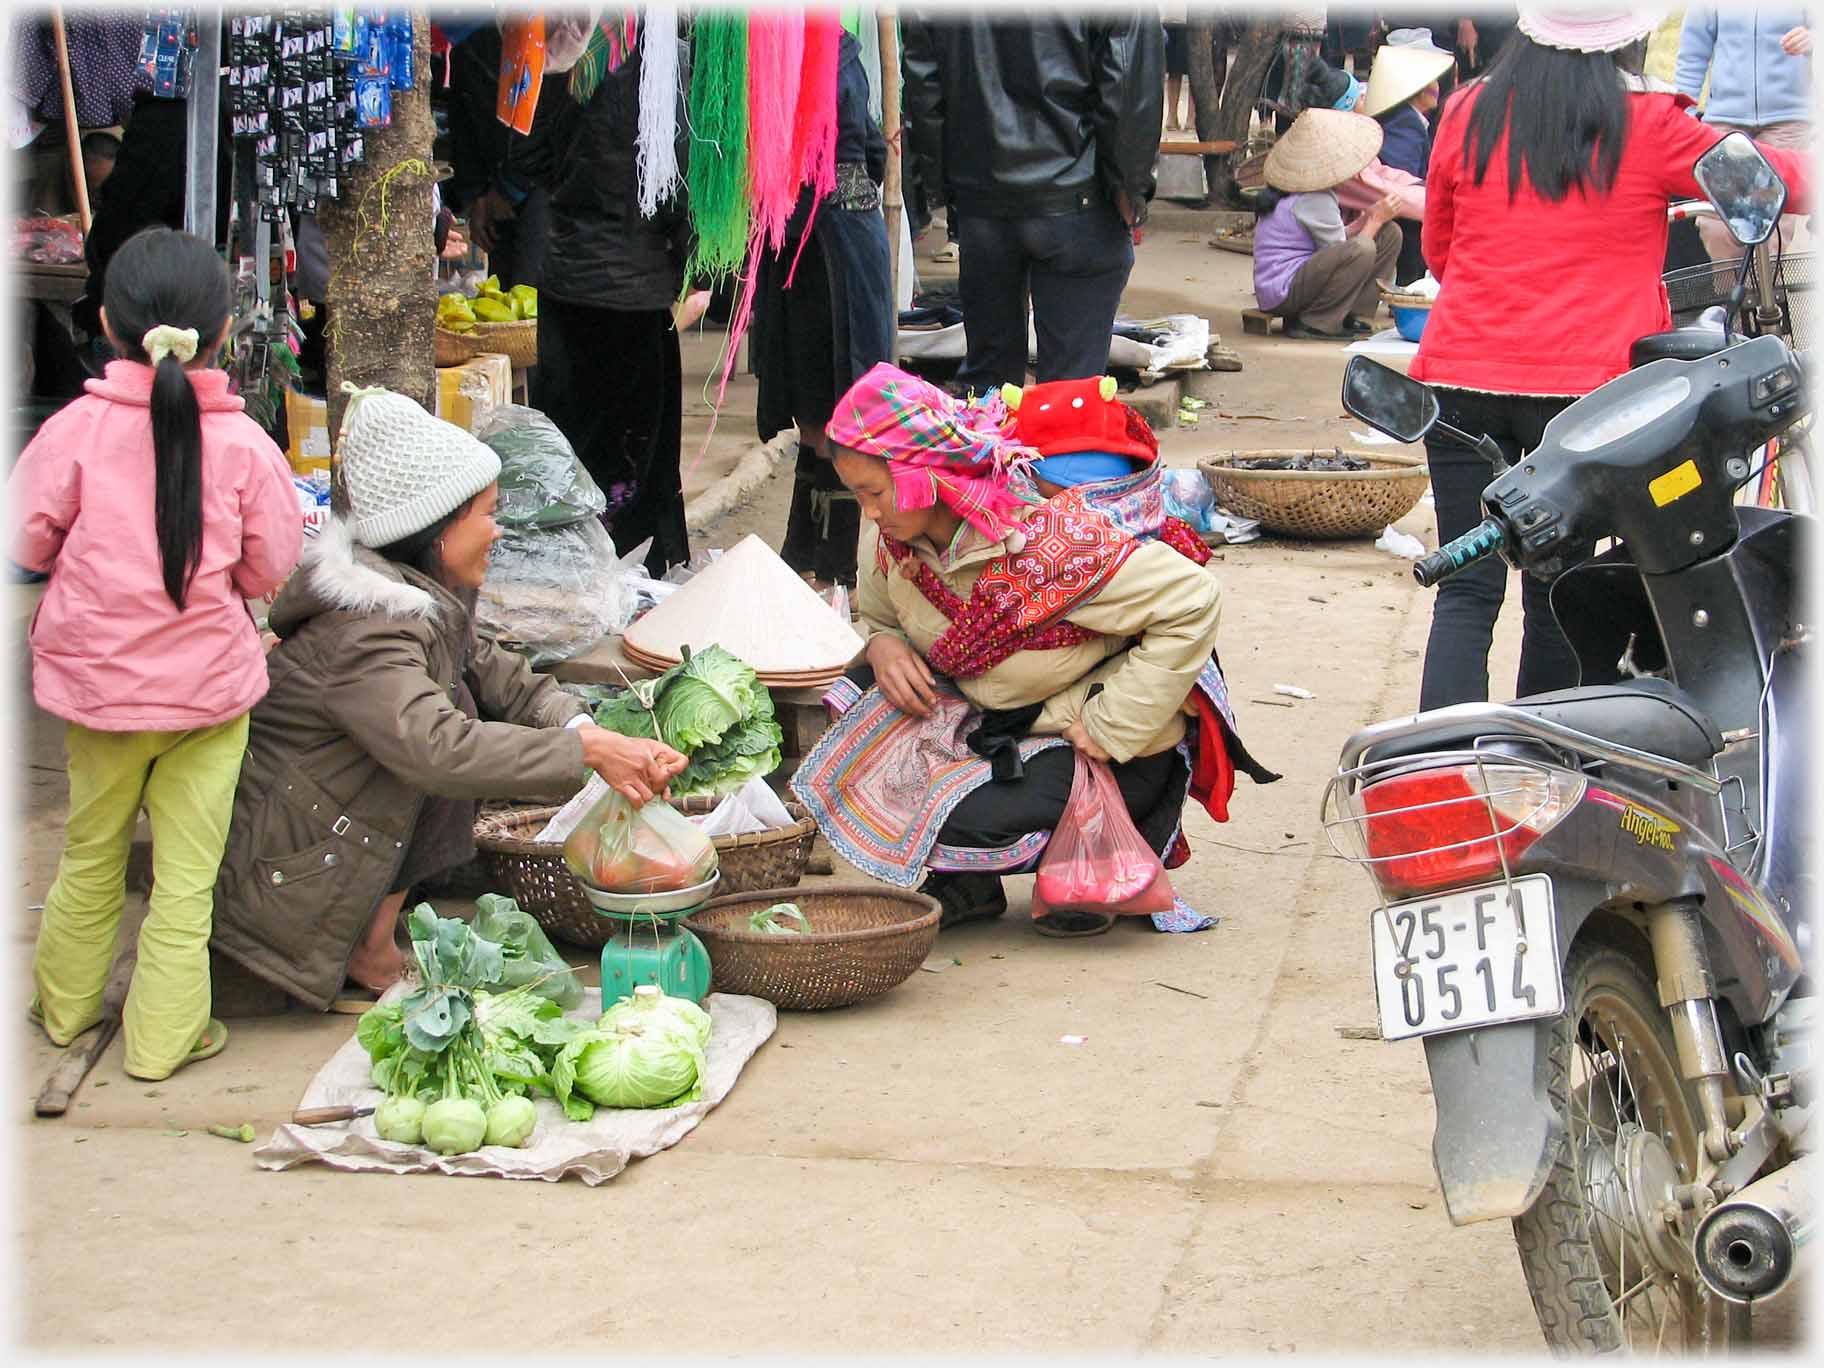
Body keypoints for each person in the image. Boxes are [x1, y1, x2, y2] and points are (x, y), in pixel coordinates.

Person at [209, 388, 688, 1012]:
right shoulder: (367, 626)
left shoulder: (423, 591)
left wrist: (586, 731)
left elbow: (492, 669)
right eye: (486, 514)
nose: (499, 529)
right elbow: (438, 749)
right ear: (436, 530)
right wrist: (586, 754)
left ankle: (371, 935)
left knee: (460, 693)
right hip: (289, 868)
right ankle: (364, 949)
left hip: (325, 827)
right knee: (447, 732)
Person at [1409, 4, 1813, 710]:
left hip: (1459, 377)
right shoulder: (1652, 123)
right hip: (1581, 402)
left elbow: (1439, 250)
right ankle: (1543, 771)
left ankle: (1438, 777)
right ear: (1632, 37)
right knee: (1555, 590)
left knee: (1466, 589)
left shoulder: (1468, 106)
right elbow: (1775, 184)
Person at [791, 363, 1275, 938]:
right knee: (856, 696)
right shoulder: (893, 534)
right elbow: (877, 613)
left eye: (874, 492)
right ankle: (971, 883)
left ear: (924, 477)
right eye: (858, 494)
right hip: (989, 718)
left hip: (1091, 740)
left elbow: (1194, 600)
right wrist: (884, 645)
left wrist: (1111, 724)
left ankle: (1090, 856)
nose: (868, 512)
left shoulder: (1048, 540)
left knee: (960, 816)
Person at [9, 227, 303, 1080]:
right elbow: (269, 564)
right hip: (208, 703)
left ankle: (63, 1012)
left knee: (90, 853)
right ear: (220, 335)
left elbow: (25, 538)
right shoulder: (246, 445)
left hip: (97, 697)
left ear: (103, 322)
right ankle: (166, 1041)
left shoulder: (72, 432)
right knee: (184, 884)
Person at [510, 17, 693, 575]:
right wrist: (689, 266)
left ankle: (567, 568)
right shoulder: (665, 62)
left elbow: (527, 160)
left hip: (567, 282)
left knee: (572, 435)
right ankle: (633, 568)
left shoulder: (560, 54)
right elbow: (679, 188)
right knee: (637, 446)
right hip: (635, 291)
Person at [901, 15, 1164, 392]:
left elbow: (924, 85)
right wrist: (1130, 189)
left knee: (988, 389)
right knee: (1069, 395)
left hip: (984, 198)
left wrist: (945, 189)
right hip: (1077, 199)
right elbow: (1130, 85)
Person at [751, 26, 893, 591]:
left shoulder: (803, 50)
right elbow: (874, 150)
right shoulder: (831, 46)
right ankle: (814, 557)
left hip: (819, 246)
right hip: (821, 244)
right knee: (824, 405)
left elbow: (860, 149)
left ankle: (829, 564)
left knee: (836, 407)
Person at [1675, 5, 1814, 261]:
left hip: (1788, 123)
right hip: (1725, 123)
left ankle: (1766, 298)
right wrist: (1684, 115)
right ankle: (1729, 298)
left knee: (1771, 226)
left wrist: (1814, 39)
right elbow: (1692, 54)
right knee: (1714, 223)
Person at [1252, 107, 1404, 340]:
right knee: (1364, 247)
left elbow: (1333, 241)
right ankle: (1317, 323)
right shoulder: (1314, 196)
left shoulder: (1300, 190)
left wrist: (1366, 220)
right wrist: (1374, 220)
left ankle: (1356, 314)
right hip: (1283, 292)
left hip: (1291, 281)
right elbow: (1349, 253)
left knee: (1389, 233)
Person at [1361, 34, 1455, 282]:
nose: (1437, 86)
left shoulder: (1407, 119)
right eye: (1430, 81)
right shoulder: (1403, 124)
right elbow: (1402, 184)